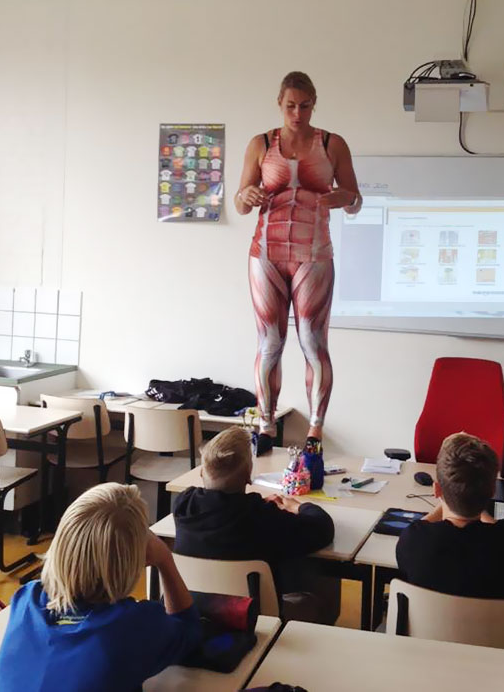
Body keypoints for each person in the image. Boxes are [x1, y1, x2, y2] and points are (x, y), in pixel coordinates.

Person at [236, 71, 361, 453]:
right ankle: (267, 424)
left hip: (314, 251)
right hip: (267, 252)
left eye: (304, 105)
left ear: (314, 104)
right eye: (290, 105)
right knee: (270, 341)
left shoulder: (332, 143)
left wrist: (342, 199)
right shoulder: (260, 144)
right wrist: (249, 193)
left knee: (312, 340)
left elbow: (355, 199)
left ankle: (315, 430)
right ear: (279, 104)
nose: (297, 113)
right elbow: (240, 204)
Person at [0, 483, 200, 692]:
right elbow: (189, 629)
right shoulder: (133, 625)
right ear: (133, 559)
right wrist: (165, 559)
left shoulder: (26, 599)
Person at [173, 427, 339, 624]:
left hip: (198, 611)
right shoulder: (261, 516)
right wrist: (299, 507)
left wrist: (262, 505)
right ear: (249, 475)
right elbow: (323, 528)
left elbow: (223, 509)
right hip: (254, 618)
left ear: (202, 472)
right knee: (318, 590)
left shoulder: (183, 505)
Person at [396, 432, 504, 599]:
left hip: (429, 626)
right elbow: (497, 529)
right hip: (488, 626)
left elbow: (417, 527)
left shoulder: (414, 539)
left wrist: (443, 501)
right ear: (492, 491)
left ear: (436, 490)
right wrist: (477, 507)